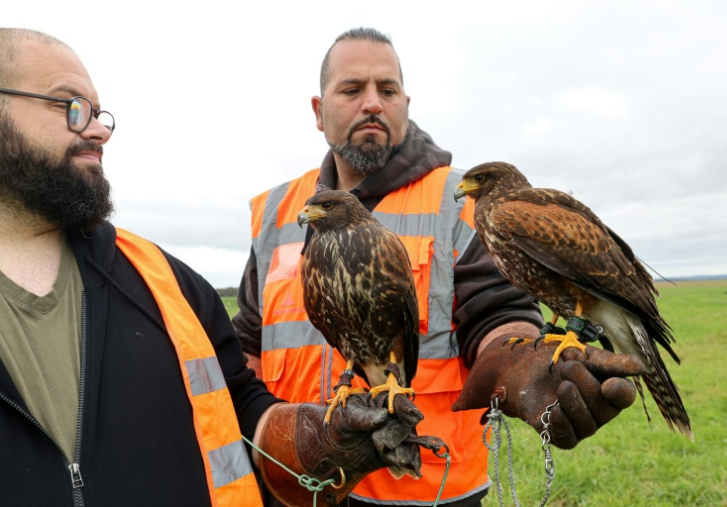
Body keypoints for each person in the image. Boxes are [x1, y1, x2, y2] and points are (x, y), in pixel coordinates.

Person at [0, 28, 423, 507]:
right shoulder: (278, 218)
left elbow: (239, 405)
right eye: (70, 107)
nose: (97, 130)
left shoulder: (165, 283)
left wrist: (312, 443)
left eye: (99, 115)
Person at [233, 27, 645, 507]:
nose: (372, 103)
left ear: (406, 102)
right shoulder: (279, 210)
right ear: (318, 111)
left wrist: (518, 361)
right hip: (296, 481)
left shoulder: (463, 202)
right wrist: (261, 435)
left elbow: (497, 313)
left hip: (425, 486)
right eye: (351, 89)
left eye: (387, 90)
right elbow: (247, 343)